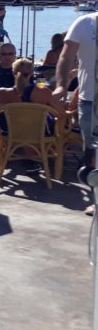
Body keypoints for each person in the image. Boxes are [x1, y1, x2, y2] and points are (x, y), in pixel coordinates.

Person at [54, 12, 97, 207]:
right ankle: (96, 200)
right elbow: (66, 56)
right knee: (92, 151)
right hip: (89, 99)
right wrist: (61, 85)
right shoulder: (84, 23)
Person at [0, 58, 64, 118]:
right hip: (39, 137)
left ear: (13, 72)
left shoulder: (3, 93)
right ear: (31, 73)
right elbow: (61, 113)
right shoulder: (44, 92)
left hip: (9, 137)